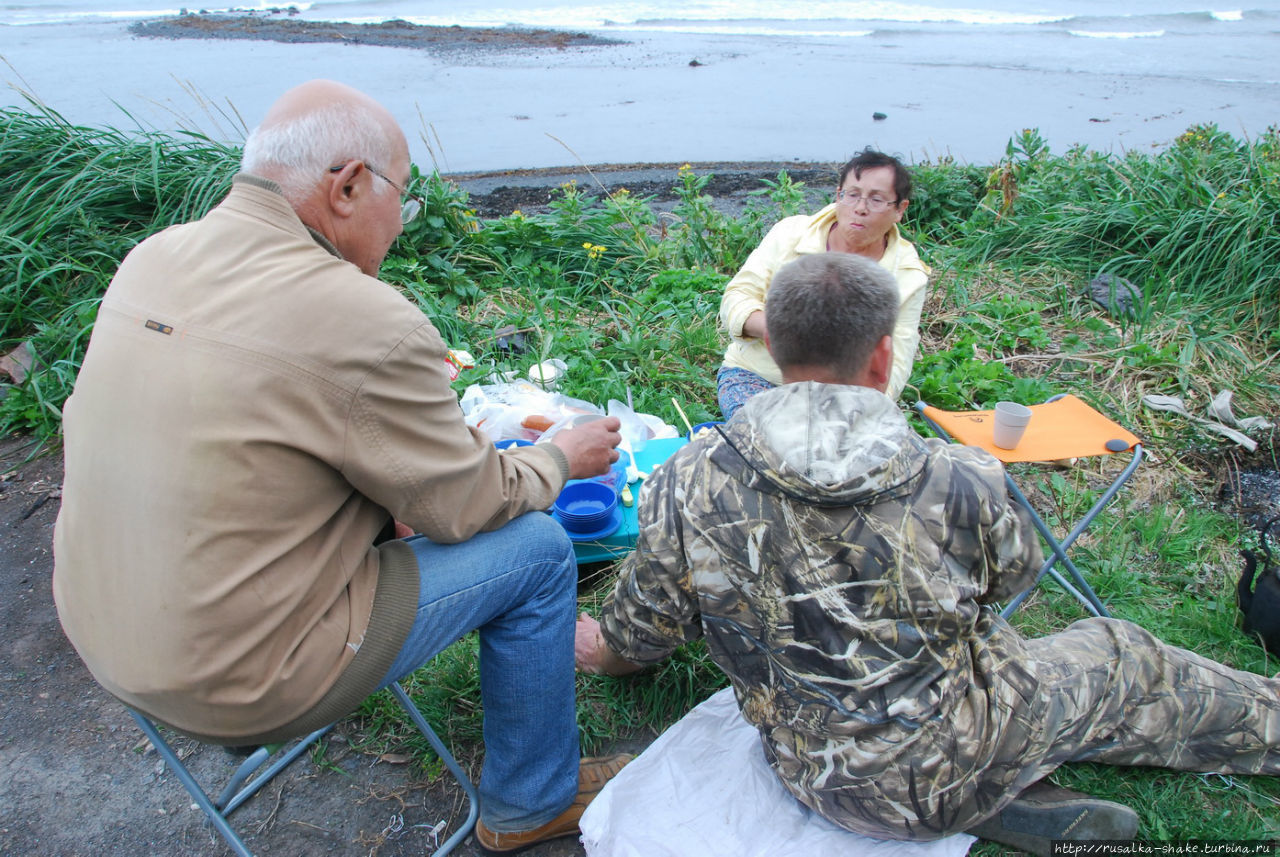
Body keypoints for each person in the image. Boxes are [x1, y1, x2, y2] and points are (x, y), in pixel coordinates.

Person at [53, 79, 629, 853]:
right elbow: (467, 507)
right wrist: (561, 456)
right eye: (405, 196)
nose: (403, 221)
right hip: (243, 675)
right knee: (538, 551)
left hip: (106, 632)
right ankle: (530, 803)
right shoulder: (364, 315)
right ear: (351, 184)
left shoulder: (152, 257)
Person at [577, 253, 1280, 854]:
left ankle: (1004, 792)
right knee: (1120, 653)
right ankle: (1005, 784)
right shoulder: (959, 478)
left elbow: (640, 635)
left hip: (809, 767)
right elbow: (1010, 579)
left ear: (776, 348)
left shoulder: (690, 476)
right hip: (947, 752)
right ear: (883, 354)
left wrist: (596, 646)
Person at [716, 148, 929, 420]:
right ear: (838, 194)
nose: (860, 208)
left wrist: (866, 411)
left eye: (877, 200)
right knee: (768, 440)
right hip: (760, 378)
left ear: (900, 209)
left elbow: (897, 358)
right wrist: (781, 333)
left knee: (839, 449)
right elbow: (737, 297)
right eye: (852, 195)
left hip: (847, 396)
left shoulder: (908, 274)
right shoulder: (790, 233)